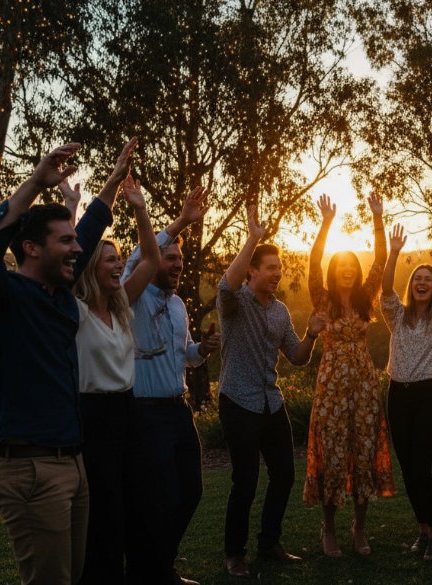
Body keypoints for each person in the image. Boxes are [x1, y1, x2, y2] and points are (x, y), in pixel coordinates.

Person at [0, 140, 131, 584]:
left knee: (71, 577)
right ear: (32, 249)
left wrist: (113, 181)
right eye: (65, 241)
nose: (78, 249)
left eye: (76, 240)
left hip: (69, 463)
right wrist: (38, 181)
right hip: (30, 468)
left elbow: (92, 227)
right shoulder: (2, 298)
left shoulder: (56, 293)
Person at [216, 204, 326, 577]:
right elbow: (224, 286)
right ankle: (234, 553)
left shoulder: (280, 311)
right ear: (252, 270)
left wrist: (311, 334)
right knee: (245, 480)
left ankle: (269, 542)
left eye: (279, 268)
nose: (277, 274)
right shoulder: (234, 303)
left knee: (284, 474)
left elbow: (296, 357)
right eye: (270, 268)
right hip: (238, 400)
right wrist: (253, 237)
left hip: (270, 402)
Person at [64, 168, 159, 585]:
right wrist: (72, 213)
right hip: (93, 418)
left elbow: (152, 259)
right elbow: (70, 258)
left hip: (128, 411)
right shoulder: (77, 313)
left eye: (120, 259)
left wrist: (140, 211)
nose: (119, 264)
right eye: (109, 260)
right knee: (103, 511)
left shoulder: (122, 304)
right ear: (90, 268)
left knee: (138, 502)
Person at [122, 185, 221, 585]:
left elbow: (183, 357)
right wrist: (181, 221)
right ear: (152, 260)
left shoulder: (179, 305)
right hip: (144, 413)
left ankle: (154, 567)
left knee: (190, 492)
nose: (178, 263)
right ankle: (152, 572)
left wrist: (203, 349)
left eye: (181, 258)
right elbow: (137, 258)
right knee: (157, 498)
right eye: (170, 257)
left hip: (178, 412)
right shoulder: (133, 296)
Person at [303, 193, 396, 558]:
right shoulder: (321, 299)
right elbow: (312, 260)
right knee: (332, 452)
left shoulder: (364, 298)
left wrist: (378, 219)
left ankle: (360, 527)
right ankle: (328, 529)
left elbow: (381, 260)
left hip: (363, 386)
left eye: (351, 265)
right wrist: (326, 224)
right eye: (341, 265)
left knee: (362, 450)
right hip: (331, 388)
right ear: (334, 270)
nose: (347, 270)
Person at [380, 220, 432, 561]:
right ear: (411, 286)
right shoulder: (396, 316)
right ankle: (423, 530)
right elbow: (385, 289)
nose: (422, 283)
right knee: (407, 467)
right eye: (418, 279)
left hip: (428, 396)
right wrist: (394, 253)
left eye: (428, 279)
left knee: (420, 468)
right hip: (398, 395)